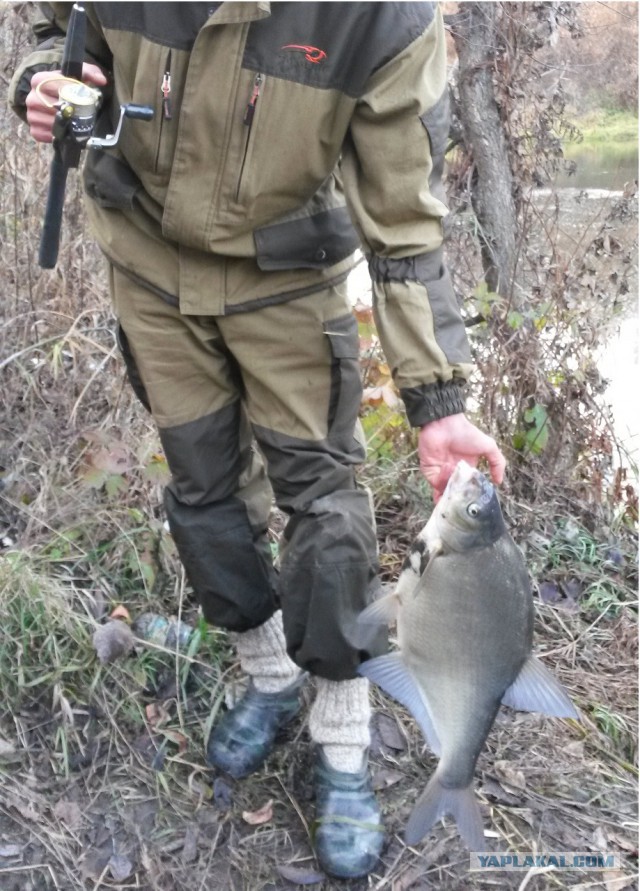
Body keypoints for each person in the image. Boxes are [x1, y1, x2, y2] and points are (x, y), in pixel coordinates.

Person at [10, 2, 505, 880]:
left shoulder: (380, 18)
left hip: (288, 284)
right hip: (149, 268)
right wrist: (42, 83)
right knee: (203, 490)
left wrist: (438, 402)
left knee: (326, 510)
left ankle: (343, 742)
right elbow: (54, 31)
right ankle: (269, 674)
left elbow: (405, 222)